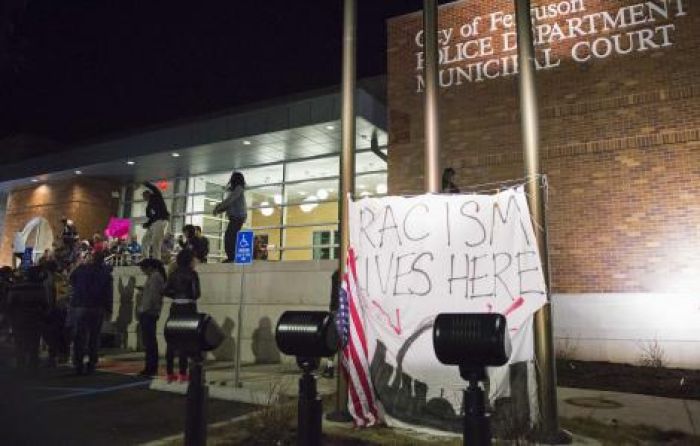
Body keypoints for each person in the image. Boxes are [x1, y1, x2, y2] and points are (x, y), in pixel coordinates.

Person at [69, 251, 113, 375]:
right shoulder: (106, 273)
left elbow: (71, 279)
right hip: (97, 307)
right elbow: (108, 293)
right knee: (94, 336)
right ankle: (92, 364)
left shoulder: (82, 269)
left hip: (81, 305)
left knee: (80, 336)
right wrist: (109, 309)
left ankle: (78, 363)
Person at [163, 249, 200, 383]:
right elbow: (196, 294)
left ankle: (169, 373)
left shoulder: (174, 274)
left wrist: (176, 295)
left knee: (172, 340)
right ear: (190, 260)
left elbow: (165, 290)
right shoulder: (192, 274)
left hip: (175, 308)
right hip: (188, 309)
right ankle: (182, 374)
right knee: (185, 341)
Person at [7, 266, 49, 370]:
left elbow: (9, 304)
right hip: (34, 320)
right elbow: (45, 304)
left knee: (20, 343)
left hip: (19, 319)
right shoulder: (39, 288)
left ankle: (20, 365)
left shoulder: (16, 287)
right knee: (34, 345)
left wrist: (11, 319)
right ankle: (33, 367)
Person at [137, 258, 166, 377]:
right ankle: (150, 366)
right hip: (150, 312)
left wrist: (144, 309)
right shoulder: (155, 277)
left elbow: (153, 296)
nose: (143, 272)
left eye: (144, 269)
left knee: (149, 342)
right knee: (149, 341)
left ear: (150, 267)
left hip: (149, 312)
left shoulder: (155, 277)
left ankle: (151, 367)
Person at [213, 172, 247, 262]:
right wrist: (219, 209)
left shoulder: (238, 189)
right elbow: (229, 204)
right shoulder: (237, 190)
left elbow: (230, 201)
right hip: (237, 217)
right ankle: (231, 257)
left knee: (230, 237)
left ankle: (232, 258)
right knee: (230, 236)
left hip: (237, 217)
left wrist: (218, 208)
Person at [141, 181, 171, 260]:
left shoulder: (157, 197)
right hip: (154, 223)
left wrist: (146, 183)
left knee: (156, 241)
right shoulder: (148, 207)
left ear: (148, 194)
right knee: (145, 240)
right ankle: (145, 259)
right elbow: (151, 218)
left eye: (144, 195)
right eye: (143, 196)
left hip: (161, 220)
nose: (143, 198)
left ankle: (156, 260)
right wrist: (147, 224)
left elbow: (155, 189)